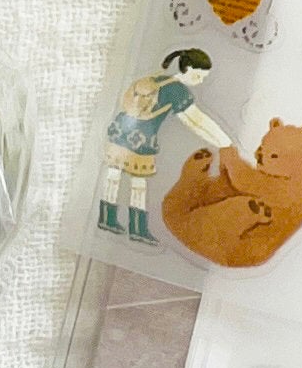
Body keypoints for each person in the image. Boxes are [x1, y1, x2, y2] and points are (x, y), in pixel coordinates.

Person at [95, 47, 229, 243]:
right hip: (142, 138)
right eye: (198, 76)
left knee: (113, 174)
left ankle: (107, 218)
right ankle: (137, 228)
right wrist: (223, 141)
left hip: (120, 128)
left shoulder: (159, 78)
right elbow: (195, 121)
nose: (200, 81)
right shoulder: (178, 91)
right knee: (138, 183)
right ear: (188, 69)